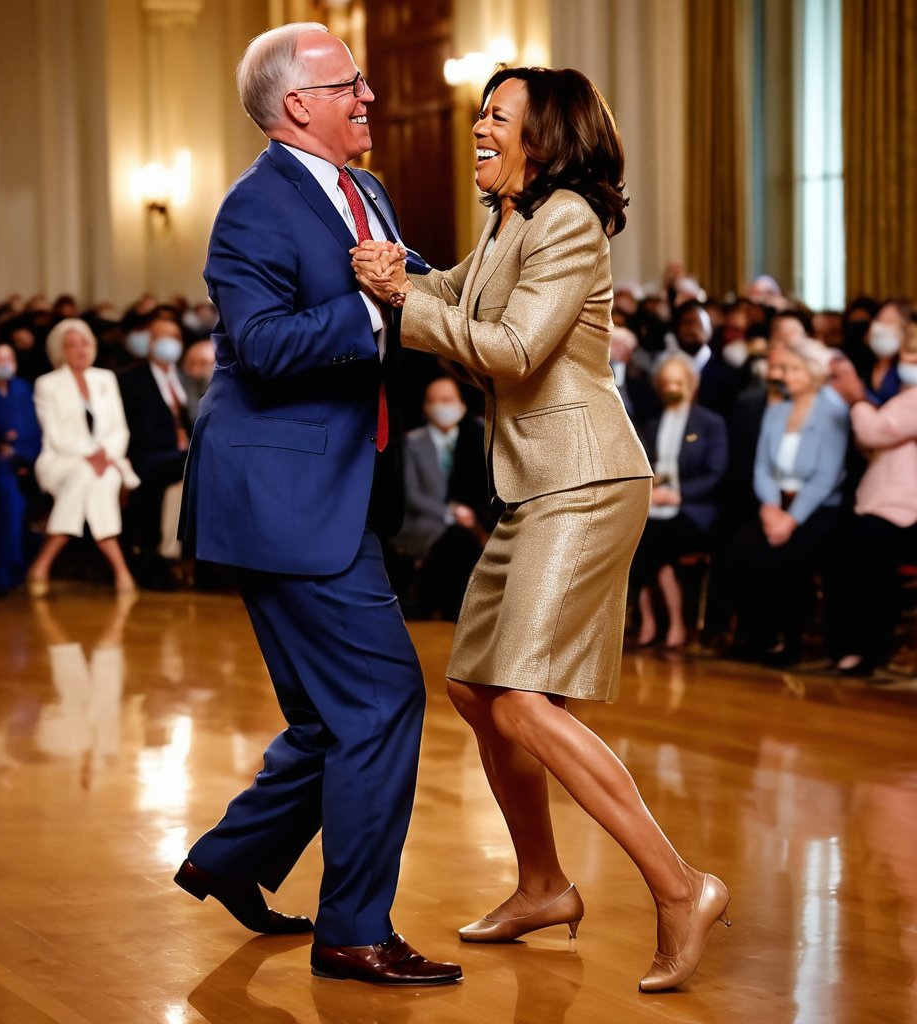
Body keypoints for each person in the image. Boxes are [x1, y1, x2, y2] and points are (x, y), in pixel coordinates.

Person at [353, 66, 729, 992]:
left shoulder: (566, 220)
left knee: (522, 700)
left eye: (498, 116)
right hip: (535, 484)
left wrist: (402, 300)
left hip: (586, 478)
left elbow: (517, 350)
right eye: (480, 112)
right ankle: (544, 885)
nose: (478, 127)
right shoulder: (510, 219)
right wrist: (414, 278)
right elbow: (473, 302)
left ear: (546, 137)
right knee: (480, 693)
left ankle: (683, 889)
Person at [175, 23, 461, 988]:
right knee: (382, 700)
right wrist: (372, 304)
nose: (371, 98)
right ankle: (354, 933)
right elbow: (260, 345)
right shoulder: (253, 209)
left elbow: (422, 286)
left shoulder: (365, 190)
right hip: (280, 492)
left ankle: (229, 860)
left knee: (330, 717)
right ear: (299, 104)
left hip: (326, 487)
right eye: (353, 85)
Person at [731, 338, 849, 665]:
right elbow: (762, 466)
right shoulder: (777, 409)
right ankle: (759, 637)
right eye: (786, 369)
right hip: (776, 502)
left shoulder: (833, 412)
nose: (788, 376)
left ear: (814, 373)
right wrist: (770, 508)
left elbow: (826, 477)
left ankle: (792, 642)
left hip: (816, 507)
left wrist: (790, 519)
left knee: (792, 556)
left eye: (795, 369)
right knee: (743, 547)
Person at [824, 329, 917, 675]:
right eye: (906, 355)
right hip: (883, 502)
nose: (908, 362)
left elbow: (875, 431)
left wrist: (856, 397)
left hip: (903, 510)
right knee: (843, 551)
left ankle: (866, 649)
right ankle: (849, 646)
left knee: (868, 561)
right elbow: (876, 442)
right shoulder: (904, 396)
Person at [26, 318, 139, 596]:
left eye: (85, 343)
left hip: (108, 461)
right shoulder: (47, 384)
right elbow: (55, 434)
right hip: (62, 460)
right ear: (60, 350)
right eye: (72, 345)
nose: (80, 350)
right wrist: (90, 454)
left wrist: (105, 454)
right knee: (87, 476)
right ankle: (121, 570)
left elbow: (119, 429)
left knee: (97, 480)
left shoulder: (106, 379)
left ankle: (43, 562)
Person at [630, 352, 728, 649]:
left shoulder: (710, 423)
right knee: (632, 540)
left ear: (692, 384)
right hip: (654, 505)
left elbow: (715, 473)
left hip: (692, 508)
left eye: (679, 382)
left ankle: (665, 623)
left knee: (651, 545)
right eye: (667, 382)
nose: (673, 388)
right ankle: (655, 621)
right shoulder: (654, 423)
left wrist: (678, 494)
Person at [391, 376, 493, 619]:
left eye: (447, 400)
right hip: (426, 519)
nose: (441, 407)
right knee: (454, 539)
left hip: (469, 518)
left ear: (461, 403)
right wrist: (450, 514)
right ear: (425, 407)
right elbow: (412, 495)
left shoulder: (476, 437)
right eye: (434, 401)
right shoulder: (412, 442)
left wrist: (471, 515)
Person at [119, 314, 198, 588]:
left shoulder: (185, 380)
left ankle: (181, 557)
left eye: (175, 337)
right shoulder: (130, 379)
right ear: (149, 342)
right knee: (194, 467)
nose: (170, 342)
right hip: (149, 457)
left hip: (183, 458)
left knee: (186, 481)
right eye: (163, 336)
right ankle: (162, 558)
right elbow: (133, 428)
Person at [0, 342, 42, 593]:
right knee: (7, 494)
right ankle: (4, 570)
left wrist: (21, 455)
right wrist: (1, 446)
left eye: (9, 358)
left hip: (26, 462)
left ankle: (16, 566)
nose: (4, 364)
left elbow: (35, 431)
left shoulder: (23, 389)